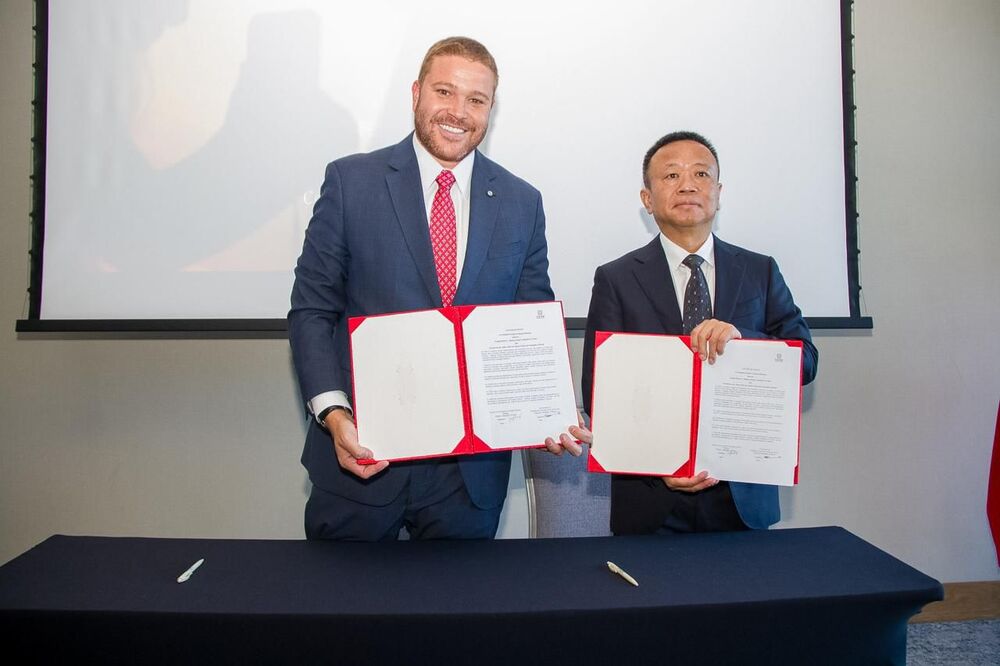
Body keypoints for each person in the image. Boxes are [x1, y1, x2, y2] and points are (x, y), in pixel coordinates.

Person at [289, 37, 581, 542]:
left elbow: (529, 319)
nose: (458, 112)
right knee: (340, 617)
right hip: (361, 456)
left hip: (467, 478)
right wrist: (335, 416)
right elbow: (312, 309)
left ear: (491, 109)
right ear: (416, 93)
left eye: (476, 100)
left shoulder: (521, 201)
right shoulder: (351, 182)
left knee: (456, 620)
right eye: (445, 92)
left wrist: (550, 408)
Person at [580, 131, 818, 535]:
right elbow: (598, 392)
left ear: (719, 192)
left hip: (742, 498)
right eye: (671, 176)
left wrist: (745, 341)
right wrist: (660, 469)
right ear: (647, 199)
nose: (688, 185)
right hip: (653, 500)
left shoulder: (760, 270)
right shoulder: (616, 278)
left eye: (701, 174)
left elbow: (806, 361)